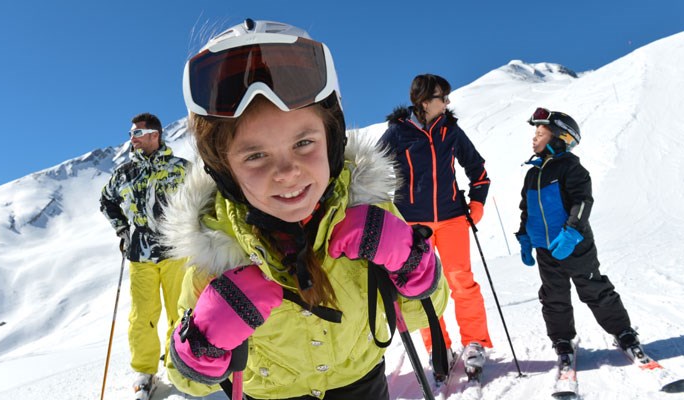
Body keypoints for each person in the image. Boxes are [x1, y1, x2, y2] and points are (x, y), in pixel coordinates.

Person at [158, 19, 450, 400]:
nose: (287, 173)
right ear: (224, 168)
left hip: (363, 384)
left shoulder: (368, 212)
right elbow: (188, 382)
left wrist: (411, 260)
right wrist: (205, 339)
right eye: (256, 155)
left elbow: (423, 312)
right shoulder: (215, 247)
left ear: (331, 140)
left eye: (303, 143)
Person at [378, 74, 493, 379]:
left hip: (453, 218)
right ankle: (437, 346)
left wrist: (477, 203)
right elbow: (372, 170)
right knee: (423, 289)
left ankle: (474, 343)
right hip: (414, 227)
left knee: (461, 282)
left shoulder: (450, 130)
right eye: (443, 96)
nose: (448, 102)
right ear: (425, 100)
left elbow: (478, 170)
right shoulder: (398, 133)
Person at [516, 107, 640, 361]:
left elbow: (582, 202)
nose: (534, 138)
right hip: (546, 249)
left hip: (575, 244)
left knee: (594, 289)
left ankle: (623, 331)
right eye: (535, 133)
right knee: (553, 296)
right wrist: (525, 237)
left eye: (541, 133)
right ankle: (561, 339)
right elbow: (526, 208)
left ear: (560, 138)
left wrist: (571, 233)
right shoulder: (532, 174)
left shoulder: (571, 168)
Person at [99, 112, 188, 399]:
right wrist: (122, 230)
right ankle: (145, 371)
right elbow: (106, 201)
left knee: (182, 312)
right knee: (142, 317)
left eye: (137, 133)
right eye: (130, 134)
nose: (132, 138)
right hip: (140, 256)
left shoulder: (181, 169)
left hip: (176, 252)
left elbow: (204, 201)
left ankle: (180, 366)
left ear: (155, 134)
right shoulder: (124, 173)